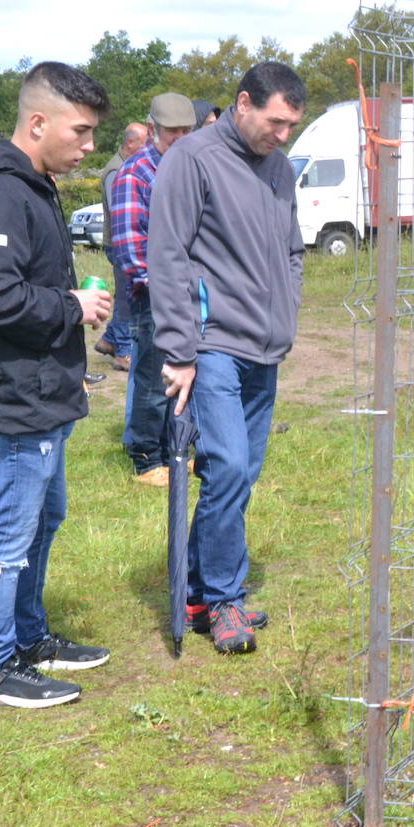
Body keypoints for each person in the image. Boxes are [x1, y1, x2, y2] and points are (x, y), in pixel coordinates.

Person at [0, 61, 113, 708]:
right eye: (82, 131)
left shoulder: (33, 183)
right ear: (37, 123)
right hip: (6, 399)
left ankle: (29, 638)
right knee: (6, 540)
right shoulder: (0, 192)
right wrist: (71, 307)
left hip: (39, 393)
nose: (89, 146)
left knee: (42, 521)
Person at [148, 62, 306, 654]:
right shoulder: (191, 160)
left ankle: (193, 590)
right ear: (243, 103)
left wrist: (286, 307)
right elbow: (166, 255)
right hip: (211, 348)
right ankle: (224, 602)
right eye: (275, 121)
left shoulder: (281, 168)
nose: (283, 135)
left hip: (264, 350)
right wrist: (180, 349)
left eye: (292, 124)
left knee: (237, 478)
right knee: (230, 470)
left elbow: (292, 247)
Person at [110, 93, 197, 487]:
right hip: (154, 295)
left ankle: (176, 451)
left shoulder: (191, 166)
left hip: (190, 292)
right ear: (153, 128)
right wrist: (164, 290)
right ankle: (147, 460)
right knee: (151, 378)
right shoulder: (135, 174)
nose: (179, 137)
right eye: (172, 131)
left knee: (185, 375)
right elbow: (130, 248)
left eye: (185, 130)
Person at [94, 120, 148, 372]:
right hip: (119, 244)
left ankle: (109, 339)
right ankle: (123, 353)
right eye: (144, 142)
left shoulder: (126, 167)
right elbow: (121, 214)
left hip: (121, 242)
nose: (148, 147)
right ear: (130, 143)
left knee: (123, 293)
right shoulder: (117, 171)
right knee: (128, 296)